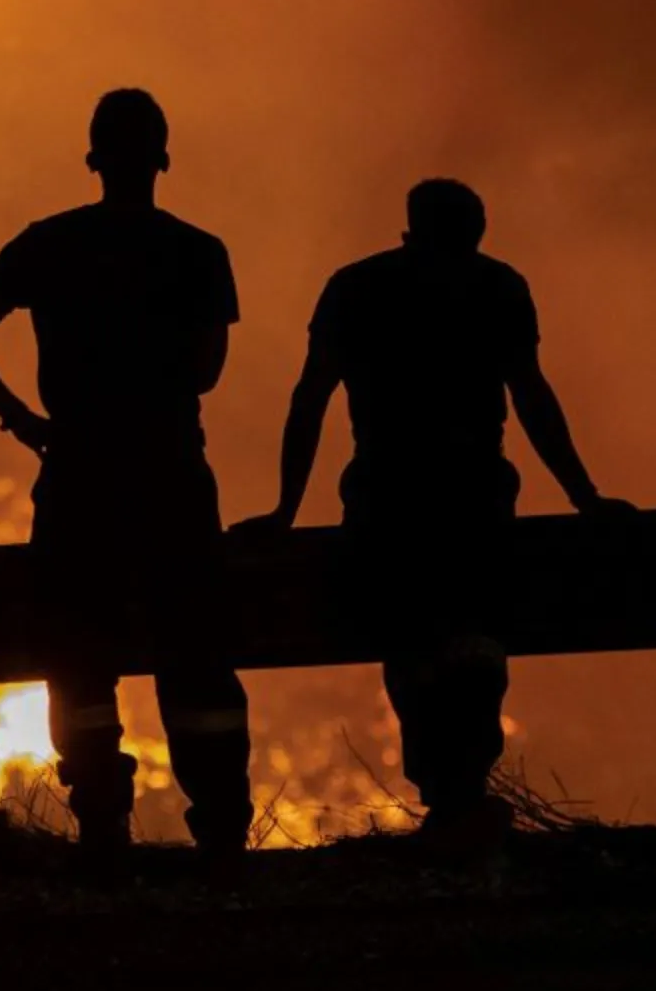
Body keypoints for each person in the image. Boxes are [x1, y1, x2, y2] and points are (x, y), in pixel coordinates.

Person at [239, 178, 634, 848]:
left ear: (410, 226)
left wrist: (284, 511)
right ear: (472, 230)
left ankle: (447, 793)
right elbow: (532, 397)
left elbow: (311, 398)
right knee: (475, 640)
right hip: (475, 498)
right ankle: (464, 790)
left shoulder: (357, 288)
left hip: (386, 501)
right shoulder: (497, 287)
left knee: (413, 643)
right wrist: (583, 495)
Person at [0, 89, 254, 862]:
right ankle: (218, 829)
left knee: (79, 655)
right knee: (196, 654)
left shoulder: (49, 244)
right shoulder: (199, 252)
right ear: (162, 160)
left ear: (93, 161)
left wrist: (27, 422)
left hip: (79, 474)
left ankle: (104, 824)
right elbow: (209, 372)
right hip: (173, 473)